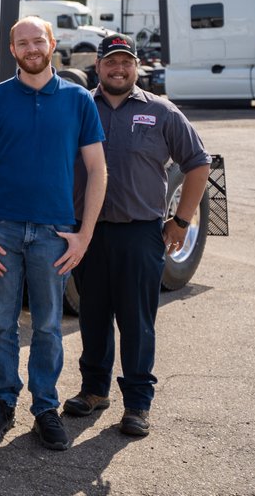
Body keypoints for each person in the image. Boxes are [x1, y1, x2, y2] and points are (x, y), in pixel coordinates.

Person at [0, 16, 107, 451]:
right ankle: (2, 402)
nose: (31, 48)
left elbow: (97, 169)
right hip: (2, 229)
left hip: (54, 232)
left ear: (51, 44)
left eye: (37, 41)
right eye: (22, 42)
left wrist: (84, 235)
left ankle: (44, 407)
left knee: (48, 326)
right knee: (2, 325)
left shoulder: (78, 100)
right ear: (12, 49)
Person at [64, 33, 209, 437]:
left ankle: (137, 404)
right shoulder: (79, 107)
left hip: (140, 234)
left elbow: (198, 164)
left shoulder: (161, 112)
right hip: (87, 233)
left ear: (136, 67)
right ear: (98, 66)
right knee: (91, 315)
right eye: (111, 61)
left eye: (126, 62)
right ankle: (94, 390)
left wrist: (180, 221)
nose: (119, 68)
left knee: (137, 321)